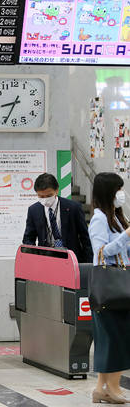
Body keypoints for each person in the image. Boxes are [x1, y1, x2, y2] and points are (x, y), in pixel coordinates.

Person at [88, 172, 130, 404]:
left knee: (117, 338)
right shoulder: (99, 219)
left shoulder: (117, 218)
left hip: (121, 285)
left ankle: (100, 390)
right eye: (117, 189)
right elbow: (101, 252)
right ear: (108, 192)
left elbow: (124, 252)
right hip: (108, 288)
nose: (121, 194)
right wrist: (126, 236)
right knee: (113, 339)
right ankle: (112, 387)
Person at [23, 173, 93, 263]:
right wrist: (32, 258)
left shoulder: (73, 207)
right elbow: (28, 238)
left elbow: (85, 237)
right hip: (45, 259)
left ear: (57, 190)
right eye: (41, 196)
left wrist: (89, 262)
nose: (45, 199)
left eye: (49, 195)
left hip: (71, 258)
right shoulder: (33, 210)